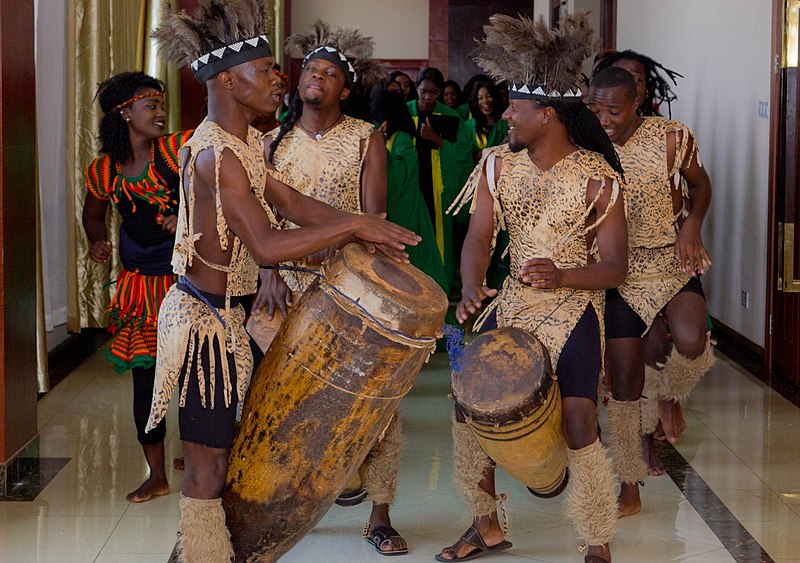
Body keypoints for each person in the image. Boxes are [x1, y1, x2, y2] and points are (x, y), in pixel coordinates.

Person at [147, 2, 420, 560]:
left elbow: (290, 202)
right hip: (204, 321)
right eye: (266, 69)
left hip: (231, 316)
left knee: (241, 444)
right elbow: (267, 245)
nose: (282, 78)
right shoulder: (216, 154)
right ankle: (200, 552)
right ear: (228, 78)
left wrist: (365, 223)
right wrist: (351, 227)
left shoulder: (245, 144)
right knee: (209, 465)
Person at [438, 14, 627, 563]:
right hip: (513, 302)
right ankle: (484, 526)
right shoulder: (497, 164)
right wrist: (472, 285)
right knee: (468, 407)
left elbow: (614, 266)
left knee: (578, 421)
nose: (505, 113)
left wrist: (564, 275)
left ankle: (597, 536)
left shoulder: (598, 175)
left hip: (574, 306)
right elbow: (478, 237)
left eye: (515, 107)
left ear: (547, 114)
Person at [253, 22, 409, 556]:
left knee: (377, 406)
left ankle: (381, 514)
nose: (316, 78)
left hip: (349, 289)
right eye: (311, 70)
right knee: (287, 403)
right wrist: (270, 272)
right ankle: (293, 504)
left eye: (330, 73)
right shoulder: (272, 142)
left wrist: (342, 260)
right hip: (287, 284)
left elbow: (373, 219)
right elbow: (263, 219)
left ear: (346, 88)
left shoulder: (367, 139)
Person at [588, 66, 713, 516]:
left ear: (637, 102)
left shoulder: (671, 137)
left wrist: (692, 227)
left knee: (692, 339)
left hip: (671, 256)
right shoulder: (586, 144)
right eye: (595, 108)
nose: (604, 119)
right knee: (624, 384)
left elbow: (701, 186)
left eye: (614, 110)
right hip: (619, 270)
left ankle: (669, 398)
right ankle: (629, 484)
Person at [82, 71, 192, 504]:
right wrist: (97, 242)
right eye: (152, 106)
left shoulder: (174, 151)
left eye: (162, 105)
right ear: (124, 112)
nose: (161, 113)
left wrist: (183, 216)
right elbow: (93, 215)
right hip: (138, 287)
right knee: (147, 380)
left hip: (186, 280)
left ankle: (198, 453)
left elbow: (218, 194)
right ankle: (157, 474)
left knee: (194, 374)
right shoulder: (104, 169)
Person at [372, 83, 448, 291]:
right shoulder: (384, 139)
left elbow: (400, 175)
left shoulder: (402, 140)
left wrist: (380, 152)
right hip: (394, 206)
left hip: (407, 210)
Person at [408, 67, 474, 294]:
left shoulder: (449, 116)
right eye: (423, 91)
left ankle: (439, 292)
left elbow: (464, 155)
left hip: (439, 190)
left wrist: (437, 140)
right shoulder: (405, 113)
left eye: (434, 93)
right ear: (416, 88)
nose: (427, 98)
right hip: (409, 187)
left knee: (439, 240)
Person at [592, 49, 682, 118]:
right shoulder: (587, 125)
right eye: (618, 78)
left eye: (636, 79)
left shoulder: (665, 133)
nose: (627, 85)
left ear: (647, 89)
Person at [464, 79, 508, 158]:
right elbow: (465, 154)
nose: (485, 101)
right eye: (480, 98)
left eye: (489, 96)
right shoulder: (469, 126)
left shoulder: (504, 123)